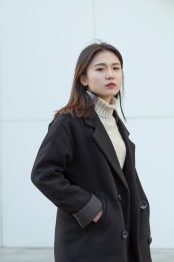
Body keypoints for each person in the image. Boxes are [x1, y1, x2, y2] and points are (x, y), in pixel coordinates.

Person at [31, 42, 152, 262]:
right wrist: (89, 207)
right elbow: (44, 174)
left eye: (116, 68)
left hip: (124, 238)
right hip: (89, 241)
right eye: (100, 68)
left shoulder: (115, 123)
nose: (110, 74)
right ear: (83, 78)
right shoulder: (68, 122)